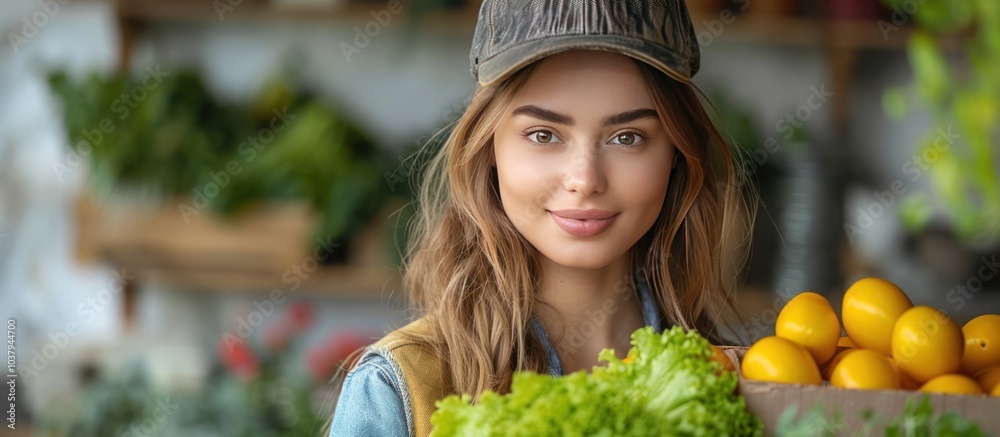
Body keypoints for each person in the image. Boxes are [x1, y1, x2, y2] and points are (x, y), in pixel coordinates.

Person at [328, 1, 755, 435]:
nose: (584, 180)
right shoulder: (397, 390)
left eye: (627, 137)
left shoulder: (739, 382)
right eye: (543, 135)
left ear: (677, 157)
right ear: (489, 148)